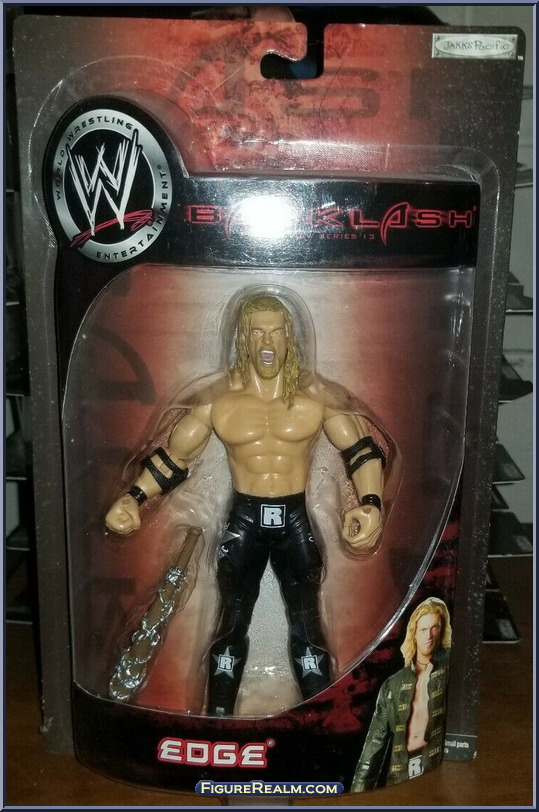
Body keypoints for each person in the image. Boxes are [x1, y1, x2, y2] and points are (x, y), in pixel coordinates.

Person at [106, 292, 387, 716]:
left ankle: (320, 720)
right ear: (243, 338)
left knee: (307, 626)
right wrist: (134, 498)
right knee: (231, 624)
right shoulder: (217, 400)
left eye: (275, 331)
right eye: (257, 332)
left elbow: (362, 451)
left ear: (290, 336)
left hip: (295, 520)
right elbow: (173, 457)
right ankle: (219, 718)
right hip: (244, 522)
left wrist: (371, 503)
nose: (267, 341)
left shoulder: (317, 397)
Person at [351, 597, 452, 791]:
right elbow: (372, 751)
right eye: (423, 629)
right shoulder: (393, 685)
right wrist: (356, 798)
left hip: (437, 776)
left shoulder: (450, 669)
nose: (429, 635)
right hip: (399, 778)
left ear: (442, 630)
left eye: (435, 628)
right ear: (414, 633)